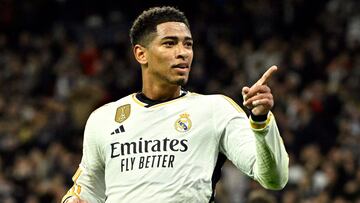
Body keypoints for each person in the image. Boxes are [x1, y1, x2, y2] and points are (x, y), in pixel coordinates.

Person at [62, 6, 289, 203]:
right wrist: (73, 199)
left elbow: (274, 179)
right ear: (141, 54)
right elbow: (88, 186)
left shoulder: (215, 110)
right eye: (169, 43)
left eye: (188, 44)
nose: (183, 53)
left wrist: (260, 120)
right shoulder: (104, 119)